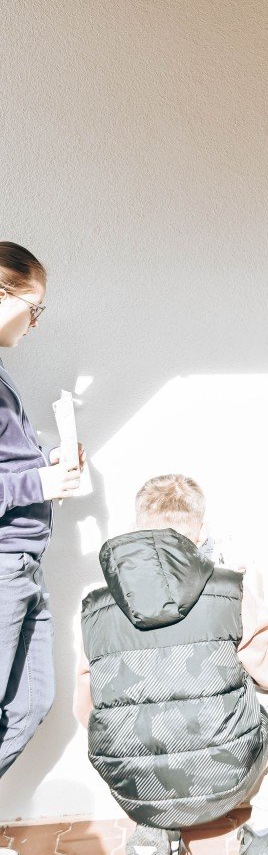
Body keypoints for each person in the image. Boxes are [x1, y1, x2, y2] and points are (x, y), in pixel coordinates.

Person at [74, 474, 268, 855]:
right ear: (201, 533)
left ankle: (153, 832)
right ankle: (267, 833)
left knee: (132, 716)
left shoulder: (95, 607)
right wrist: (252, 600)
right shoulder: (229, 589)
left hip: (135, 786)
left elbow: (87, 710)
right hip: (225, 778)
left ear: (135, 528)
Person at [0, 241, 85, 816]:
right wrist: (39, 483)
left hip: (24, 565)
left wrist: (46, 460)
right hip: (4, 566)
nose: (35, 323)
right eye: (33, 307)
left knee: (31, 703)